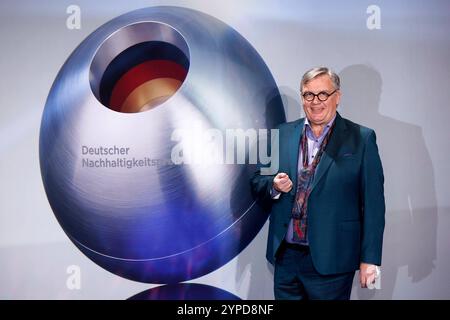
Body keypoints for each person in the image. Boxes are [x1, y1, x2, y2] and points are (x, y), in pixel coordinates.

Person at [251, 66, 385, 300]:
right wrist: (273, 184)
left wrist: (370, 259)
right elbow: (258, 180)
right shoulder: (282, 133)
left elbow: (374, 205)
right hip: (286, 258)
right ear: (302, 97)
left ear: (337, 97)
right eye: (308, 95)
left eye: (323, 94)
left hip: (333, 259)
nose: (316, 101)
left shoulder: (361, 138)